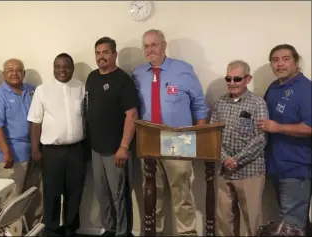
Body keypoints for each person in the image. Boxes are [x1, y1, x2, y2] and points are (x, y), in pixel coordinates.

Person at [133, 29, 208, 236]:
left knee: (182, 194)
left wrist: (200, 141)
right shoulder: (138, 73)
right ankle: (153, 232)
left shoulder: (183, 69)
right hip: (148, 140)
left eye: (154, 44)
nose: (150, 50)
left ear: (164, 46)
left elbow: (199, 106)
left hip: (179, 139)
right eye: (146, 46)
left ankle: (187, 233)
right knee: (152, 194)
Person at [27, 53, 86, 237]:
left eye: (66, 66)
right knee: (52, 191)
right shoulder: (42, 90)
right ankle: (52, 229)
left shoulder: (81, 87)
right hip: (52, 151)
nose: (62, 70)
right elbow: (35, 122)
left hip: (76, 150)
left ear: (72, 68)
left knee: (75, 191)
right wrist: (35, 149)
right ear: (53, 68)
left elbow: (86, 117)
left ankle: (71, 228)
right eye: (58, 66)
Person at [86, 37, 138, 237]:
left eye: (106, 52)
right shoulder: (92, 77)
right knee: (102, 194)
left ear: (114, 54)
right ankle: (109, 229)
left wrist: (124, 147)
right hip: (96, 149)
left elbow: (131, 115)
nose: (101, 56)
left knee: (119, 196)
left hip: (117, 150)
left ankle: (123, 232)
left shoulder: (123, 80)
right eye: (98, 53)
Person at [210, 60, 268, 236]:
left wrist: (237, 159)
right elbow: (213, 132)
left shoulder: (257, 103)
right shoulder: (221, 102)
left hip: (250, 172)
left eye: (237, 79)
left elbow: (261, 137)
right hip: (224, 171)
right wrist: (225, 158)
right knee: (224, 219)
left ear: (247, 79)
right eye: (228, 79)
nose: (232, 83)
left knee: (253, 219)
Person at [259, 44, 311, 232]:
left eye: (285, 59)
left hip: (296, 167)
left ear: (296, 62)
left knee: (291, 224)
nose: (280, 64)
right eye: (275, 60)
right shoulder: (274, 87)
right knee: (289, 220)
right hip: (275, 165)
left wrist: (278, 127)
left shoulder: (306, 89)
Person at [0, 58, 42, 235]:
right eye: (9, 70)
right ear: (4, 74)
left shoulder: (32, 91)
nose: (14, 73)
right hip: (12, 157)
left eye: (18, 70)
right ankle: (7, 235)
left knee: (34, 198)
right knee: (11, 202)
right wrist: (6, 152)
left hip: (35, 154)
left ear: (24, 73)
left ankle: (32, 232)